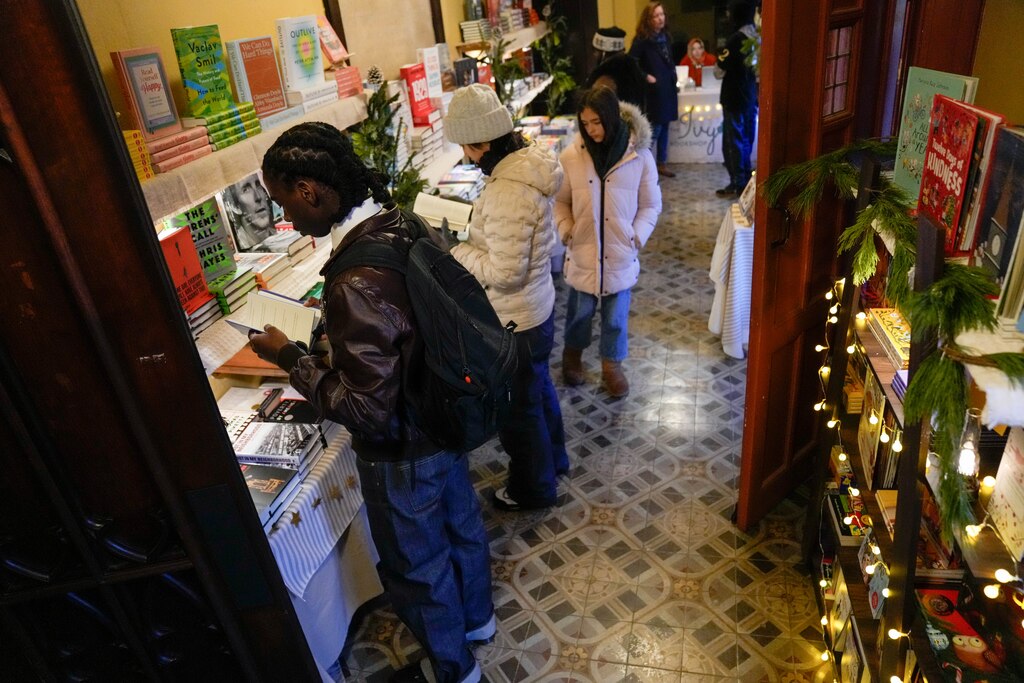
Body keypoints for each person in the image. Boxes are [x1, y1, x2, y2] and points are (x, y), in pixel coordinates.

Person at [248, 122, 493, 683]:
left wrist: (292, 359)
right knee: (461, 527)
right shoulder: (400, 222)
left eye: (284, 200)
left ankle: (456, 670)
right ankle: (477, 621)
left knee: (418, 569)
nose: (286, 217)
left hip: (403, 451)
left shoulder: (353, 278)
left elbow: (366, 409)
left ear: (309, 190)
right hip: (443, 413)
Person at [442, 84, 569, 511]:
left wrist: (456, 248)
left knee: (518, 412)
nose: (466, 157)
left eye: (467, 148)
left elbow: (505, 273)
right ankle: (556, 462)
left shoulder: (506, 190)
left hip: (516, 320)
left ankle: (533, 488)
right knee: (538, 391)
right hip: (537, 308)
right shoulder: (526, 167)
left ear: (482, 142)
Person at [555, 87, 662, 398]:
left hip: (620, 254)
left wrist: (637, 234)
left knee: (615, 318)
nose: (591, 130)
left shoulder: (639, 157)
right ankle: (571, 358)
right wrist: (567, 229)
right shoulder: (571, 156)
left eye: (597, 122)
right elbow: (559, 202)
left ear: (612, 118)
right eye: (585, 123)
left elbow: (651, 204)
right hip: (583, 252)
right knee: (579, 314)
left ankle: (611, 367)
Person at [628, 1, 678, 178]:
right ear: (648, 19)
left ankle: (661, 163)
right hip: (654, 92)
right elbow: (631, 62)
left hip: (668, 88)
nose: (660, 18)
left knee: (665, 127)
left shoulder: (665, 37)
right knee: (654, 129)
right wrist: (646, 76)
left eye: (662, 14)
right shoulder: (642, 40)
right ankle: (642, 165)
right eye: (656, 15)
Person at [716, 0, 759, 197]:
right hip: (751, 95)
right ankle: (745, 179)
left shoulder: (734, 40)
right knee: (747, 139)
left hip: (733, 97)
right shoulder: (758, 38)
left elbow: (718, 71)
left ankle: (737, 183)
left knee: (733, 142)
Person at [585, 26, 647, 111]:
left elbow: (600, 107)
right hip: (636, 120)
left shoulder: (605, 75)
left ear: (603, 52)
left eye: (596, 51)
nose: (594, 55)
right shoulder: (634, 68)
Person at [220, 172, 278, 250]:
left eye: (257, 185)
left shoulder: (274, 233)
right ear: (235, 207)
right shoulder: (241, 244)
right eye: (246, 190)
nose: (258, 197)